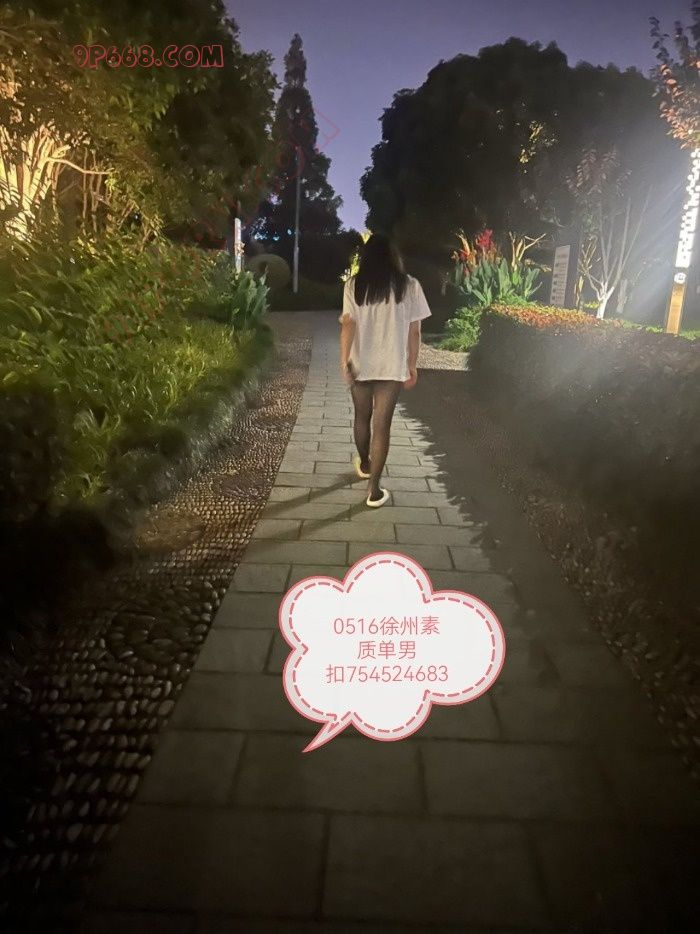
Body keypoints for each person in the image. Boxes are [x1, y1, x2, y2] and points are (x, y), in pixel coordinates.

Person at [338, 233, 431, 508]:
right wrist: (412, 365)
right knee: (382, 426)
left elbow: (348, 324)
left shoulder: (354, 285)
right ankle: (374, 489)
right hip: (391, 365)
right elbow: (415, 331)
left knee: (361, 417)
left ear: (366, 258)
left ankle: (365, 464)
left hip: (360, 363)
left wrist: (344, 361)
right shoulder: (410, 286)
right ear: (394, 257)